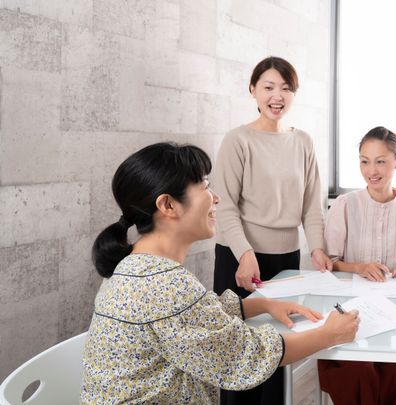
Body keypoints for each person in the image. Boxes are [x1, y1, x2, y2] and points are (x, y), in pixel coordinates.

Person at [81, 142, 359, 404]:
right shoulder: (165, 285)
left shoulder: (136, 266)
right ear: (167, 205)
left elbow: (194, 315)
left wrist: (261, 305)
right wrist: (329, 334)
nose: (216, 198)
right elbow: (245, 355)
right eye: (204, 187)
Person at [212, 56, 332, 404]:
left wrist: (318, 249)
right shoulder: (238, 140)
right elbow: (225, 206)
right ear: (253, 91)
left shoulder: (303, 141)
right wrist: (245, 254)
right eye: (268, 87)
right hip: (239, 258)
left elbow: (312, 204)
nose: (277, 95)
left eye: (286, 88)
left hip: (287, 259)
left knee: (279, 350)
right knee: (238, 354)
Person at [317, 126, 396, 404]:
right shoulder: (344, 205)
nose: (372, 170)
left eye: (380, 161)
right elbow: (330, 263)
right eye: (364, 161)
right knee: (357, 369)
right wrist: (358, 267)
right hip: (350, 312)